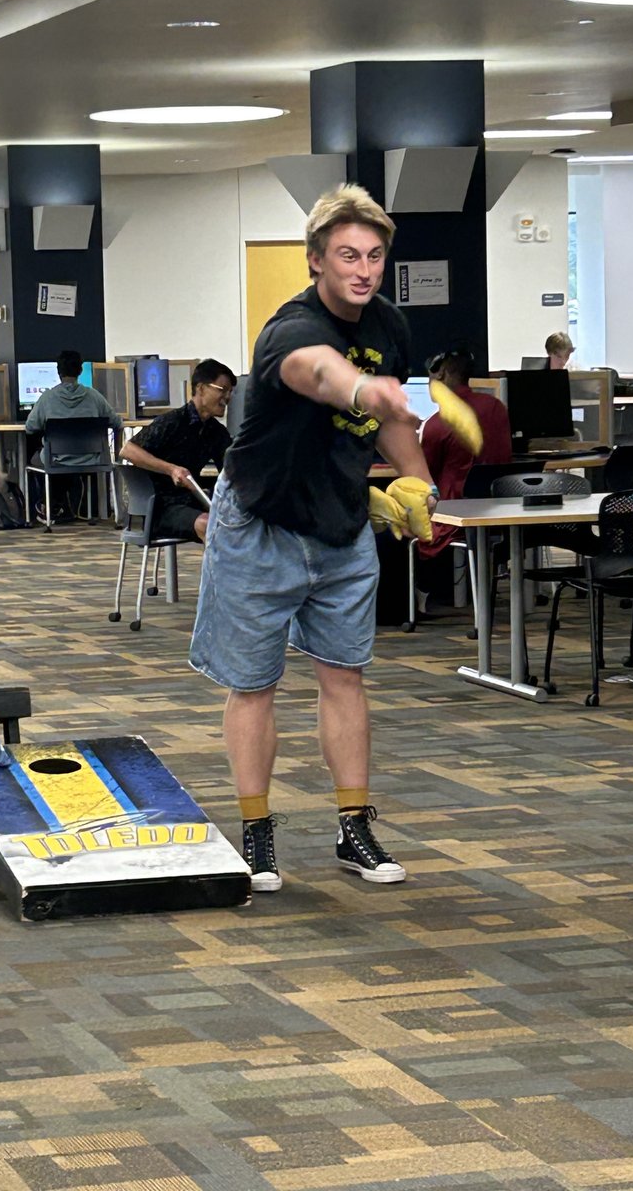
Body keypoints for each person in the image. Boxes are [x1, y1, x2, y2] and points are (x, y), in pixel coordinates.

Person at [189, 183, 436, 893]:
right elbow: (319, 374)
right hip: (259, 523)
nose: (363, 270)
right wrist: (366, 391)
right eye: (348, 256)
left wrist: (415, 481)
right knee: (255, 684)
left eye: (375, 257)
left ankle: (354, 827)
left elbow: (392, 419)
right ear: (315, 262)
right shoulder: (290, 331)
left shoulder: (389, 326)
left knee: (344, 674)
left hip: (339, 522)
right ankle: (258, 831)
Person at [119, 359, 236, 542]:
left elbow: (230, 471)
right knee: (210, 526)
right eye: (222, 389)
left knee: (240, 524)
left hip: (189, 503)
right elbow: (127, 450)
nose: (228, 397)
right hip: (159, 507)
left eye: (230, 392)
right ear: (201, 388)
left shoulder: (217, 433)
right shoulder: (172, 421)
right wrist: (171, 469)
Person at [419, 347, 512, 567]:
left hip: (452, 516)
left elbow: (424, 474)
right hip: (499, 511)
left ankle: (421, 594)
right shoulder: (496, 407)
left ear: (440, 375)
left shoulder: (437, 424)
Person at [25, 350, 122, 521]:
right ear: (80, 370)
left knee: (35, 459)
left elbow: (30, 427)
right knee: (63, 464)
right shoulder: (94, 396)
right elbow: (117, 423)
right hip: (91, 459)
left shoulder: (47, 398)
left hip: (57, 459)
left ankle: (45, 506)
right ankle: (69, 508)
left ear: (58, 371)